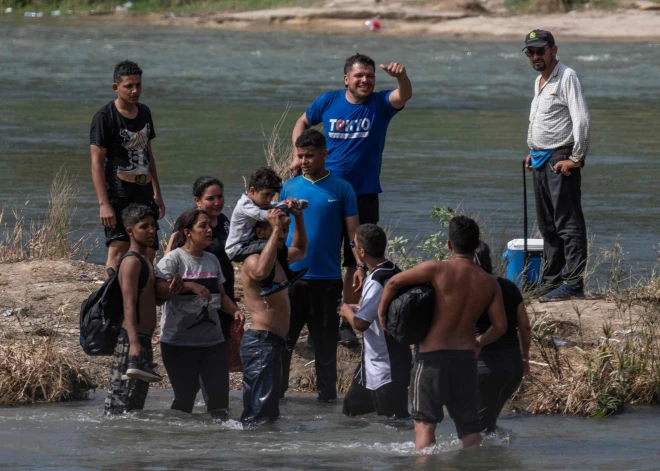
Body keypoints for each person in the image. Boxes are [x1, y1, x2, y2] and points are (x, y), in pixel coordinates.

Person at [291, 53, 413, 343]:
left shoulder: (381, 104)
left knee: (358, 258)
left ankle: (348, 320)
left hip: (364, 193)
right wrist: (297, 154)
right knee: (324, 255)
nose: (365, 80)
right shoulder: (329, 101)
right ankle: (320, 320)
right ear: (347, 79)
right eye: (359, 76)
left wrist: (400, 77)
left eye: (370, 76)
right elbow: (302, 121)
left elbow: (403, 94)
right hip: (327, 192)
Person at [377, 216, 507, 450]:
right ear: (478, 245)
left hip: (431, 359)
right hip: (466, 360)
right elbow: (500, 326)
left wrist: (382, 314)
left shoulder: (437, 269)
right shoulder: (489, 282)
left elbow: (394, 283)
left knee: (425, 425)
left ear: (449, 244)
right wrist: (479, 342)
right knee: (470, 429)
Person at [279, 129, 362, 403]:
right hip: (290, 278)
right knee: (284, 342)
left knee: (325, 346)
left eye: (310, 156)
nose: (304, 161)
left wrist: (360, 265)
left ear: (325, 154)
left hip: (326, 280)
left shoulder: (342, 188)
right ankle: (276, 397)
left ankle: (327, 400)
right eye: (300, 156)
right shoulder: (289, 187)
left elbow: (353, 235)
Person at [523, 30, 591, 302]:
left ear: (554, 50)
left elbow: (581, 119)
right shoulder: (539, 81)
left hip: (559, 160)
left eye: (541, 50)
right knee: (547, 225)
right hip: (541, 159)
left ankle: (573, 283)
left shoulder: (567, 76)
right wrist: (533, 150)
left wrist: (576, 158)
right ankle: (552, 281)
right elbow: (545, 123)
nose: (536, 56)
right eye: (531, 52)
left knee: (567, 222)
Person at [156, 209, 244, 416]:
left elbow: (221, 296)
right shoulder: (173, 260)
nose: (209, 230)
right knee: (184, 401)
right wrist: (188, 286)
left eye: (209, 226)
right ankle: (183, 442)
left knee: (220, 404)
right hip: (178, 343)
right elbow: (157, 291)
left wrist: (235, 311)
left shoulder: (212, 260)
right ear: (187, 232)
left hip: (213, 343)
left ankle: (215, 443)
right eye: (202, 226)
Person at [90, 60, 165, 276]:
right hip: (118, 194)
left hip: (144, 193)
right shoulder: (104, 117)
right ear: (116, 87)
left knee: (149, 250)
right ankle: (115, 299)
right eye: (129, 86)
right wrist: (103, 203)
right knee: (119, 249)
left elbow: (149, 155)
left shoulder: (144, 112)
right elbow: (96, 162)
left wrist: (157, 194)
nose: (135, 90)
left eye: (138, 85)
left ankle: (145, 296)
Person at [240, 206, 308, 426]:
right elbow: (260, 273)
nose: (281, 234)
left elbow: (300, 249)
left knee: (265, 414)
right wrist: (277, 225)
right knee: (262, 417)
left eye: (283, 229)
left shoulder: (277, 259)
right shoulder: (254, 259)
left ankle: (260, 456)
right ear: (259, 233)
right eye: (275, 229)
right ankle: (262, 459)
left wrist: (297, 217)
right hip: (262, 343)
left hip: (274, 343)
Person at [104, 203, 170, 416]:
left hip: (143, 339)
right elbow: (128, 305)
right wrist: (133, 342)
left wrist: (171, 291)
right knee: (119, 406)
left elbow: (152, 301)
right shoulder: (131, 262)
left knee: (134, 406)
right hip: (130, 340)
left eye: (153, 225)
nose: (151, 231)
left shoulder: (146, 261)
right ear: (131, 231)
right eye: (144, 227)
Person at [341, 224, 411, 418]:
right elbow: (380, 309)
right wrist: (359, 309)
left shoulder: (376, 280)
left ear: (361, 252)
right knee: (351, 411)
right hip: (372, 364)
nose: (353, 247)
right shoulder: (393, 270)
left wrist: (346, 310)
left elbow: (361, 324)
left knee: (395, 423)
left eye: (354, 244)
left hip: (386, 365)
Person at [166, 176, 235, 340]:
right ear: (197, 200)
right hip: (199, 291)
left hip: (224, 287)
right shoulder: (189, 222)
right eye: (210, 199)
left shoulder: (224, 220)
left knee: (223, 335)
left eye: (220, 196)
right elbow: (170, 256)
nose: (217, 202)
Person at [474, 242, 532, 434]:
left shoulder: (470, 289)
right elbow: (525, 326)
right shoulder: (509, 287)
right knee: (488, 425)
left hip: (485, 366)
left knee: (476, 431)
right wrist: (524, 358)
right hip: (512, 367)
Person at [225, 167, 307, 297]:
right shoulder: (244, 205)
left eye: (271, 195)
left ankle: (288, 273)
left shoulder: (259, 201)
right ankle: (266, 285)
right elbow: (265, 215)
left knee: (280, 247)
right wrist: (283, 217)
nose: (269, 199)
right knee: (271, 245)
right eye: (266, 195)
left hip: (250, 243)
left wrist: (295, 204)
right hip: (237, 248)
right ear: (252, 190)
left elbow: (275, 206)